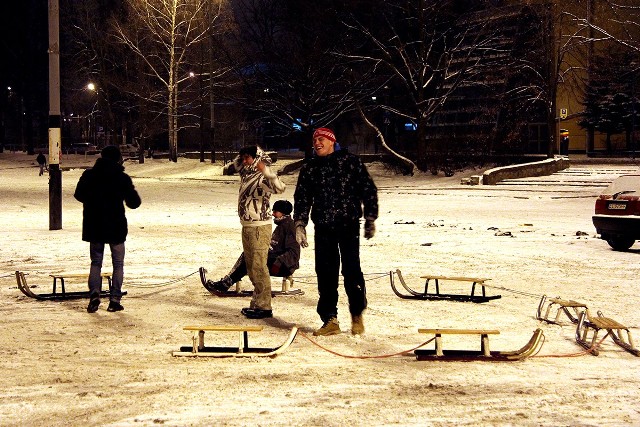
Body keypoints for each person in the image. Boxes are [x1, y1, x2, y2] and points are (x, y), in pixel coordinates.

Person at [294, 127, 378, 336]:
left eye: (322, 139)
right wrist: (300, 223)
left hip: (348, 225)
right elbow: (302, 197)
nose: (317, 143)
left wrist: (370, 217)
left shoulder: (350, 162)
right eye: (315, 140)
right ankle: (330, 319)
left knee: (351, 271)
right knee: (325, 274)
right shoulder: (310, 168)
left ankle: (356, 315)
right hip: (323, 228)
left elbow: (368, 189)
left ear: (332, 141)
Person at [217, 145, 286, 319]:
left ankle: (264, 306)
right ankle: (257, 303)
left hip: (259, 227)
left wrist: (266, 169)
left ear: (257, 158)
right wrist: (242, 158)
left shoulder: (262, 177)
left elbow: (280, 188)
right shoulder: (247, 174)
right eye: (244, 158)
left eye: (248, 157)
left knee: (259, 266)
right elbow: (231, 168)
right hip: (247, 226)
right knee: (251, 266)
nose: (245, 161)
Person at [74, 145, 141, 313]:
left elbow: (79, 194)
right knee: (118, 263)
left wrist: (94, 201)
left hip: (94, 225)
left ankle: (94, 296)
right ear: (117, 158)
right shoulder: (121, 177)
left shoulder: (89, 175)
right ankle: (114, 300)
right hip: (115, 226)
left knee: (96, 262)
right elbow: (134, 203)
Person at [199, 199, 300, 293]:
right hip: (277, 262)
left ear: (283, 212)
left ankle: (225, 284)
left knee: (251, 259)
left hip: (283, 266)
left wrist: (278, 262)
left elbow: (293, 253)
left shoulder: (290, 227)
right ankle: (226, 281)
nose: (273, 214)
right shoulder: (283, 225)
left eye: (275, 211)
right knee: (248, 254)